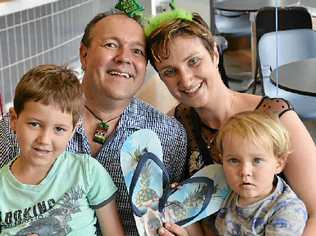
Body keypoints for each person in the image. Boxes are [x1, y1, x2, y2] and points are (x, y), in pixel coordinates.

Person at [0, 9, 188, 235]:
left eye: (137, 51)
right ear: (84, 54)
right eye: (110, 45)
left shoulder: (168, 135)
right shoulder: (14, 129)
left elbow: (176, 213)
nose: (124, 58)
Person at [146, 10, 316, 236]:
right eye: (169, 71)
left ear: (214, 54)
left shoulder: (276, 115)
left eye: (194, 61)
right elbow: (181, 209)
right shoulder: (174, 126)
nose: (185, 79)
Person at [0, 64, 124, 235]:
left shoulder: (87, 172)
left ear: (73, 130)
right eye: (34, 124)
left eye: (59, 129)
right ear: (14, 120)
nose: (44, 140)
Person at [214, 110, 307, 235]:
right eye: (234, 160)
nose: (244, 172)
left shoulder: (287, 210)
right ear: (222, 161)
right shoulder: (223, 191)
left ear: (279, 164)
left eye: (257, 160)